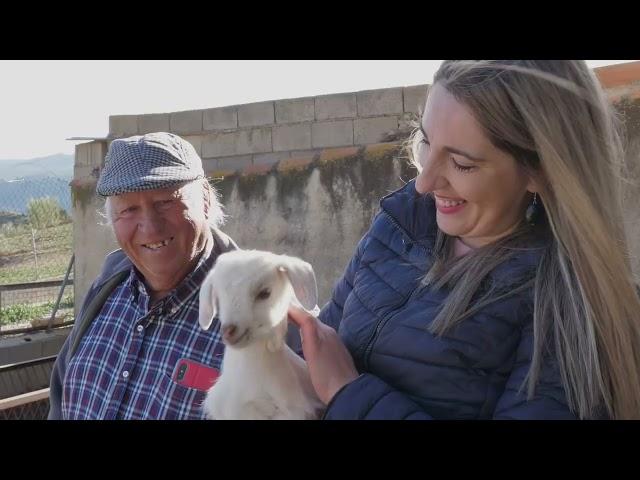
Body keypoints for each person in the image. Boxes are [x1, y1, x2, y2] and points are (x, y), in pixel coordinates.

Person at [288, 60, 640, 420]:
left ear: (541, 170)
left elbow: (333, 378)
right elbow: (320, 346)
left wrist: (346, 392)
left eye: (462, 163)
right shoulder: (400, 224)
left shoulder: (568, 306)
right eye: (426, 141)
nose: (424, 183)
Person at [48, 132, 238, 419]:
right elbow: (61, 403)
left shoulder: (259, 317)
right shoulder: (106, 291)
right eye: (128, 209)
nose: (150, 226)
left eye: (166, 201)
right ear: (112, 219)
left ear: (206, 200)